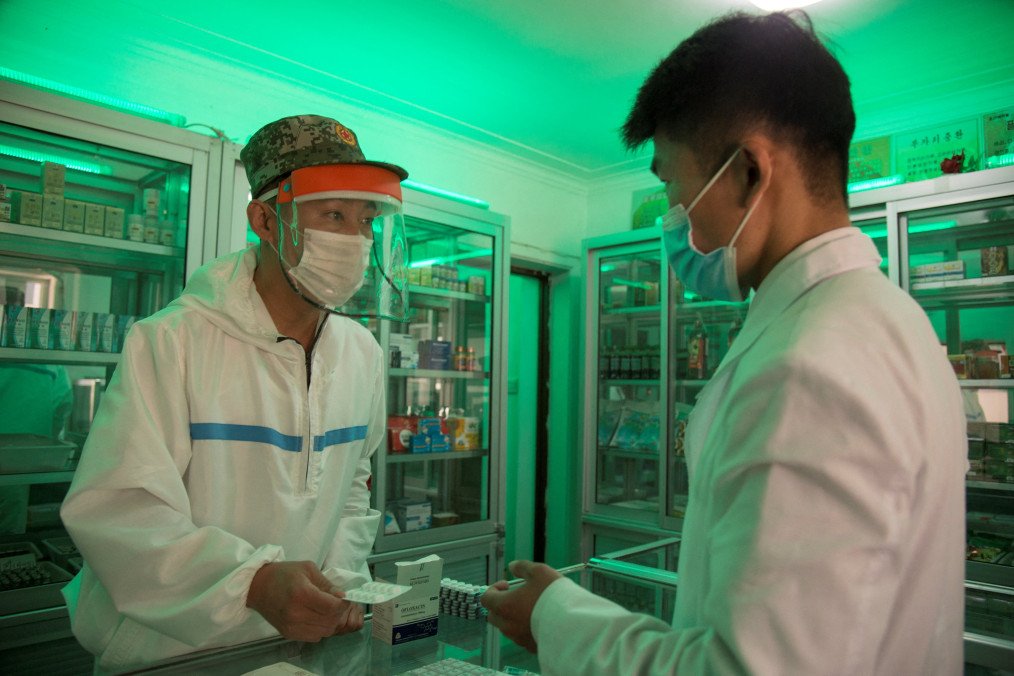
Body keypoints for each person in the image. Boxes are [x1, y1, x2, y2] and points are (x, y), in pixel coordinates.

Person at [483, 11, 966, 675]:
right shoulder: (892, 320)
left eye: (672, 189)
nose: (673, 223)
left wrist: (555, 615)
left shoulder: (809, 366)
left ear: (748, 172)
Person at [60, 115, 409, 672]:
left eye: (367, 221)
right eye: (334, 215)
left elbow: (350, 486)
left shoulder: (361, 351)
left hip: (300, 647)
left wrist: (341, 581)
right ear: (266, 220)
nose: (356, 240)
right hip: (172, 653)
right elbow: (120, 508)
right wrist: (252, 584)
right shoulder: (172, 340)